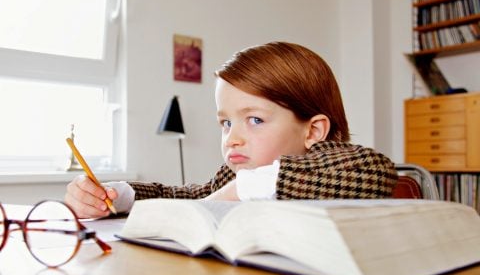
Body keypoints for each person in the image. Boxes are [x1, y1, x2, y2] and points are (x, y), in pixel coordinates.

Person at [65, 41, 398, 218]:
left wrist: (244, 189)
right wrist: (119, 196)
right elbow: (187, 196)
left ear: (313, 132)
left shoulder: (335, 162)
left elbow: (376, 171)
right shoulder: (233, 175)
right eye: (226, 122)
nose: (232, 138)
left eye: (254, 120)